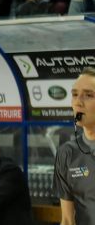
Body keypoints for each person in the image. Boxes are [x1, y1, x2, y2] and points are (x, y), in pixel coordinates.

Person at [54, 67, 95, 225]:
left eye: (89, 95)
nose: (78, 102)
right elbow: (67, 220)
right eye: (75, 94)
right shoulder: (67, 153)